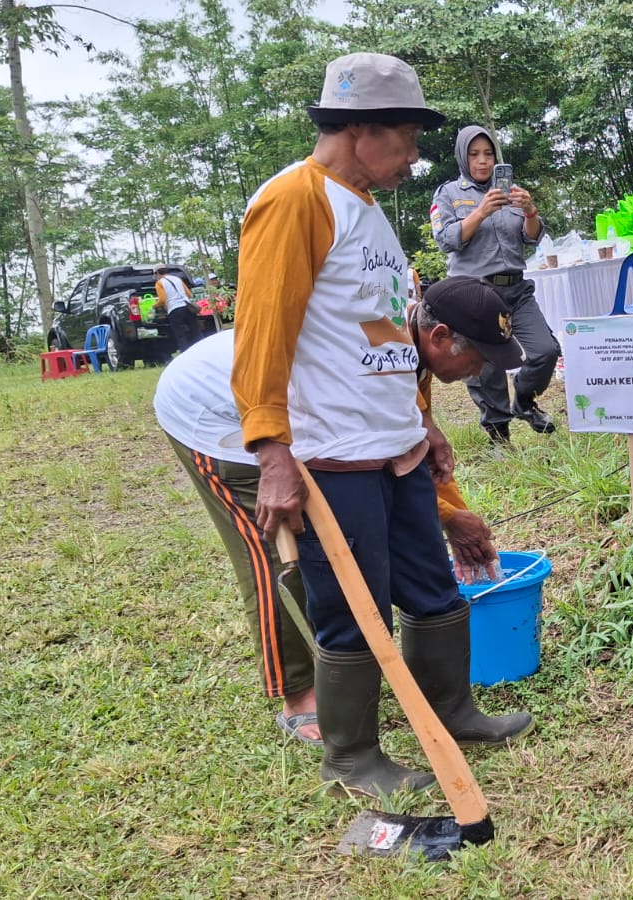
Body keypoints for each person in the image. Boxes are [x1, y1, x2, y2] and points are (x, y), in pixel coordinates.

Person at [231, 53, 532, 799]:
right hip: (335, 453)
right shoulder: (295, 201)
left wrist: (421, 426)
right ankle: (353, 755)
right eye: (406, 138)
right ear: (359, 129)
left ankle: (453, 709)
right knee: (352, 604)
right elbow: (262, 334)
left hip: (395, 446)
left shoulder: (367, 211)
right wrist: (272, 451)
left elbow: (391, 335)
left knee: (431, 585)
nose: (414, 156)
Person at [154, 277, 512, 749]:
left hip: (303, 416)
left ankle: (439, 704)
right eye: (480, 356)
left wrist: (452, 512)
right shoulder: (372, 349)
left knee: (343, 539)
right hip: (219, 412)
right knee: (277, 550)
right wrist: (448, 518)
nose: (482, 369)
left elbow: (411, 454)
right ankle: (299, 697)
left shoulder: (410, 345)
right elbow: (356, 447)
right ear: (440, 336)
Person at [430, 125, 560, 445]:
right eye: (474, 154)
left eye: (488, 154)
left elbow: (532, 237)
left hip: (516, 289)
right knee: (487, 367)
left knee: (545, 351)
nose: (483, 161)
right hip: (476, 292)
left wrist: (530, 210)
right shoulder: (448, 194)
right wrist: (480, 212)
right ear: (463, 158)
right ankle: (499, 436)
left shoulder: (511, 192)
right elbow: (446, 240)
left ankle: (525, 401)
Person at [156, 265, 200, 352]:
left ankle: (185, 353)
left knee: (181, 335)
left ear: (158, 273)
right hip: (187, 307)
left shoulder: (159, 283)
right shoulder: (177, 279)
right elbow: (189, 294)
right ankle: (200, 350)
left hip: (174, 310)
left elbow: (162, 299)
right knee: (196, 332)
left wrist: (155, 306)